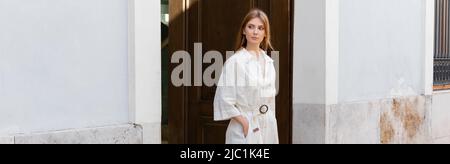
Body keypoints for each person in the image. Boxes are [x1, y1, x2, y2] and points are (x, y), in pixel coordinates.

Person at [213, 8, 278, 144]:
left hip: (268, 126)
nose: (255, 32)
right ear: (244, 30)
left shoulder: (269, 61)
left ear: (265, 33)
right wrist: (244, 122)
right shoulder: (235, 62)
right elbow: (224, 99)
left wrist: (271, 120)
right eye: (251, 27)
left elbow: (270, 99)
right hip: (245, 128)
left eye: (260, 28)